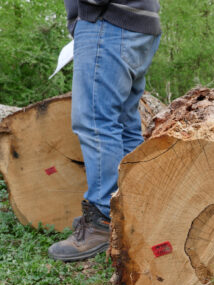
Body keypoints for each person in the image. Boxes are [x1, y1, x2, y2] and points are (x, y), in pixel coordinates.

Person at [49, 0, 161, 262]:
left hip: (107, 19)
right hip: (136, 21)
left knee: (97, 123)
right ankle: (131, 210)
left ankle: (102, 218)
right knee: (123, 123)